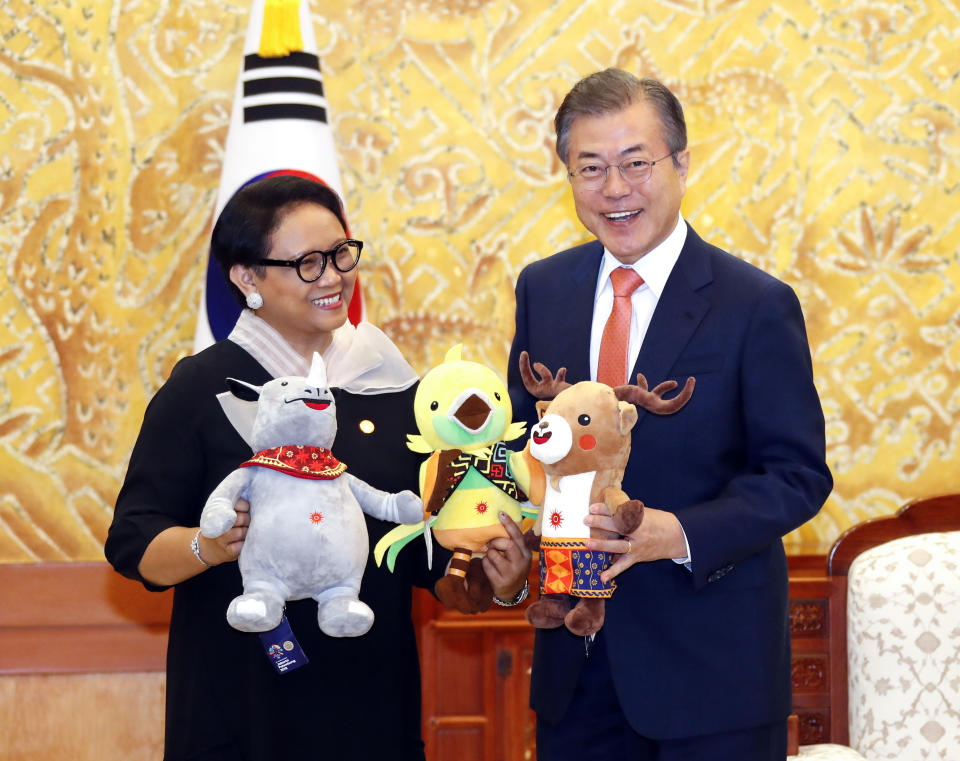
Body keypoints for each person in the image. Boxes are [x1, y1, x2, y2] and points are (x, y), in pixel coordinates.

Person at [106, 174, 529, 761]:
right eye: (307, 262)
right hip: (243, 706)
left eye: (339, 254)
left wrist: (497, 583)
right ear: (247, 277)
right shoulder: (202, 388)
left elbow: (421, 552)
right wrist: (211, 544)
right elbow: (133, 544)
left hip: (370, 703)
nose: (332, 276)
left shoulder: (390, 386)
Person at [505, 69, 833, 760]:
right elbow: (527, 444)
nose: (615, 189)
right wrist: (507, 545)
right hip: (575, 673)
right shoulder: (544, 290)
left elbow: (796, 474)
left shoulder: (755, 304)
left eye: (635, 163)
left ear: (682, 163)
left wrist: (674, 532)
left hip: (712, 681)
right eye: (590, 168)